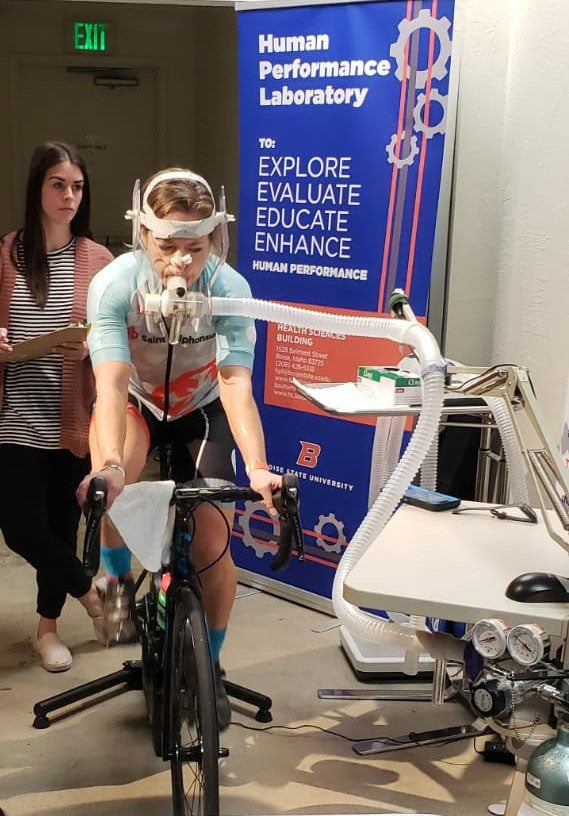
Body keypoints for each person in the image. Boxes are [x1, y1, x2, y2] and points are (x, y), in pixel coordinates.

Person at [76, 167, 281, 729]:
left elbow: (237, 383)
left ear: (216, 238)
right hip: (137, 401)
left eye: (196, 247)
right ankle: (117, 576)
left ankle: (208, 667)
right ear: (142, 233)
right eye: (168, 246)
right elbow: (112, 382)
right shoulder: (116, 286)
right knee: (114, 478)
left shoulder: (230, 289)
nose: (182, 263)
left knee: (213, 542)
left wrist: (259, 468)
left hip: (201, 407)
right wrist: (111, 466)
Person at [0, 141, 114, 672]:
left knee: (61, 523)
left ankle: (46, 631)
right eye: (58, 185)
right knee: (21, 527)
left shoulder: (98, 261)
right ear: (37, 188)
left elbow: (122, 339)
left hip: (72, 415)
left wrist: (93, 346)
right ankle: (93, 596)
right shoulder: (8, 253)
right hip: (15, 416)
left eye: (77, 187)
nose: (69, 196)